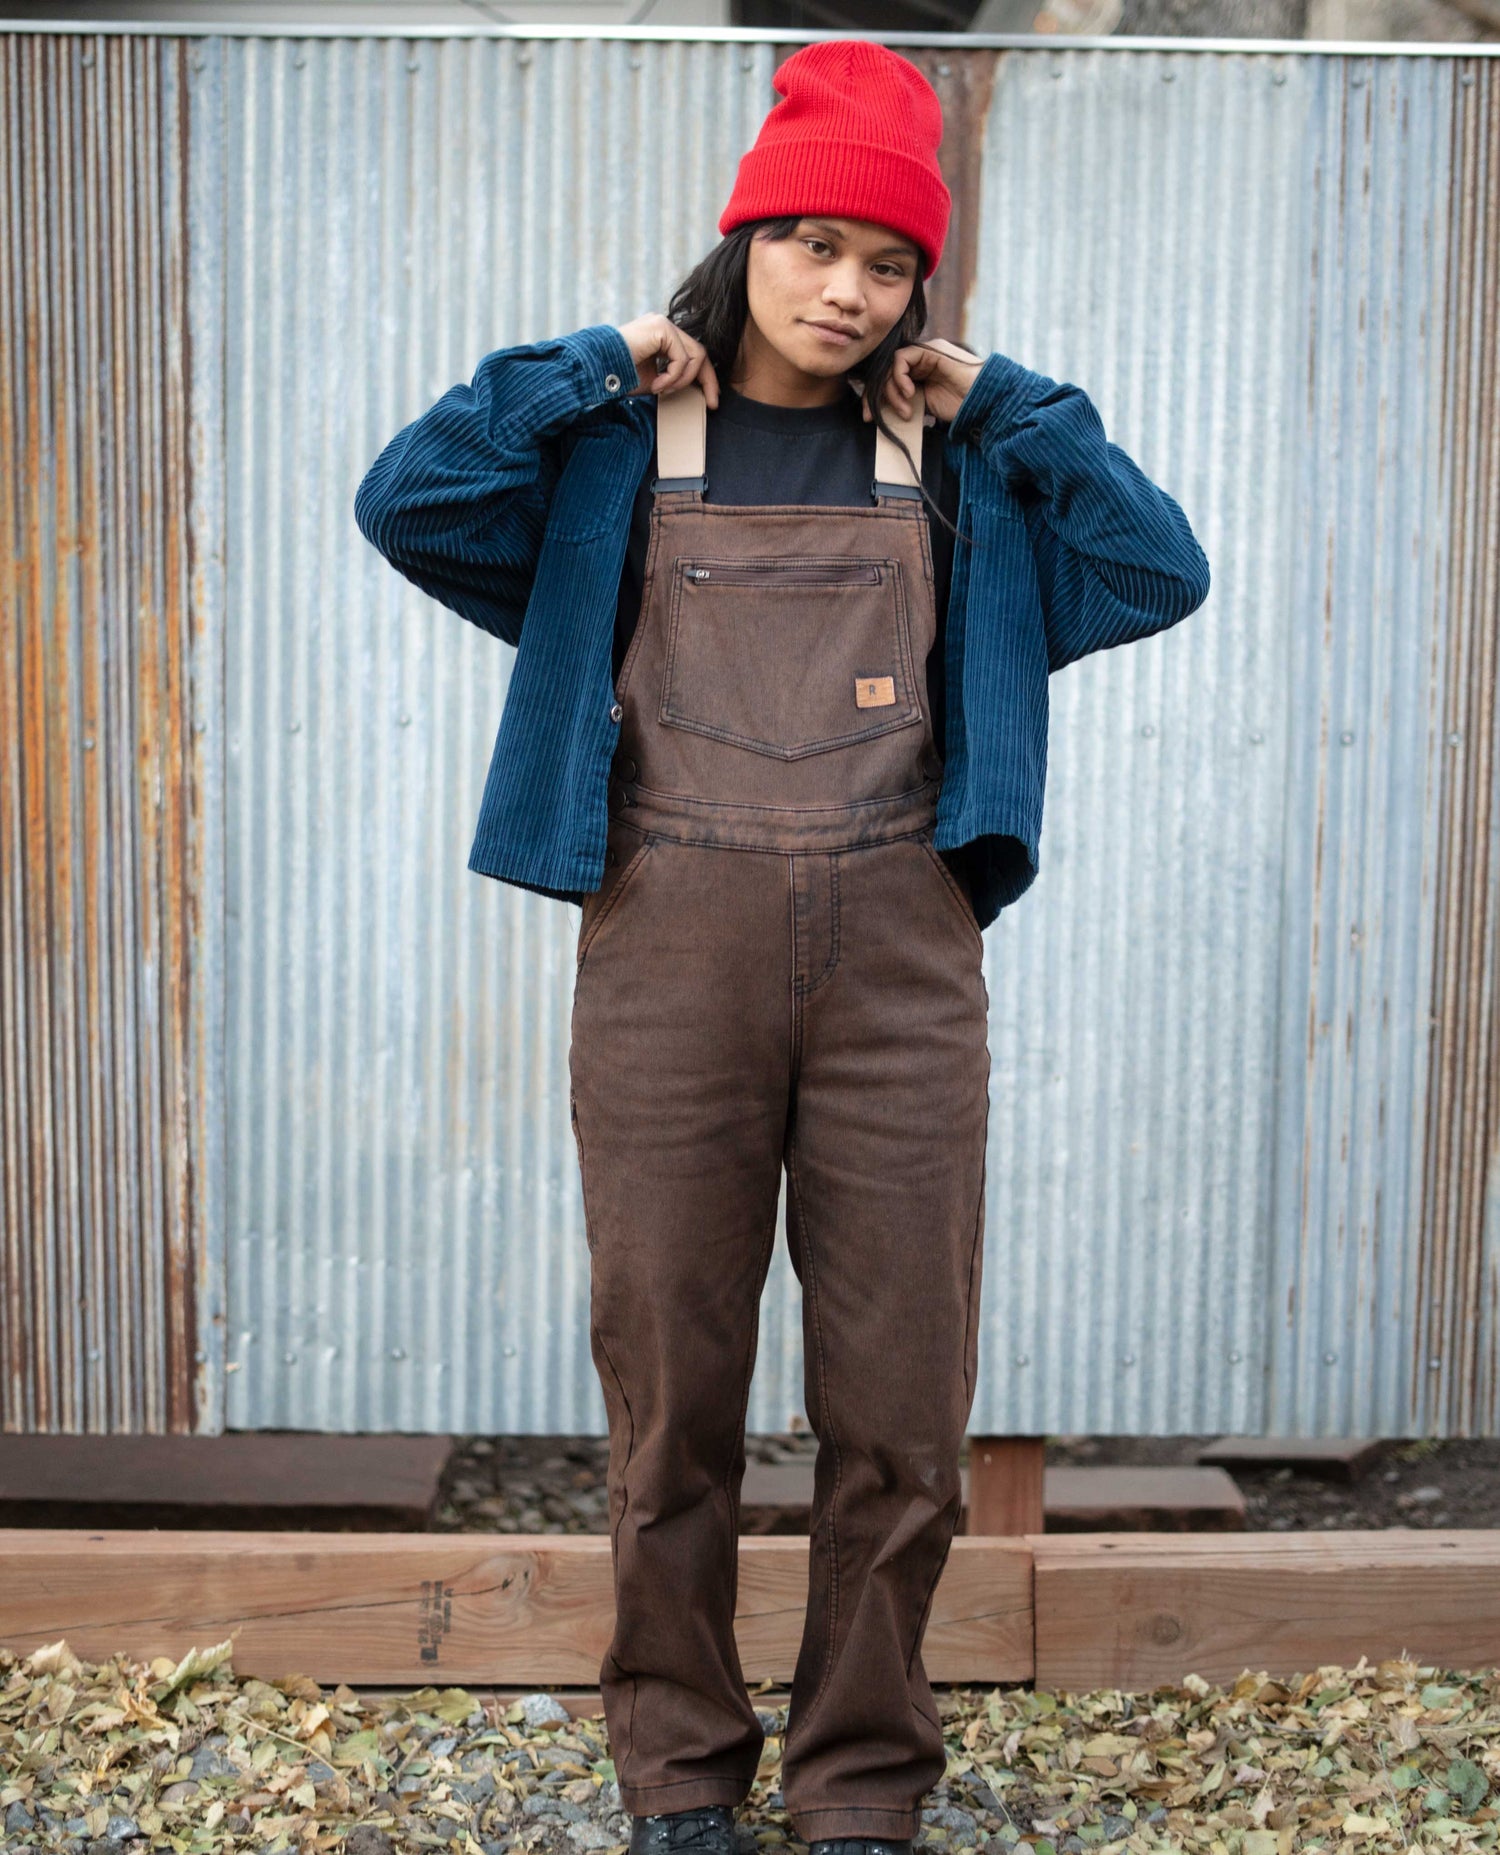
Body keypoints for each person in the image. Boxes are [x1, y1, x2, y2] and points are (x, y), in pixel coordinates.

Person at [354, 36, 1211, 1855]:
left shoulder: (956, 468)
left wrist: (1017, 408)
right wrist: (591, 363)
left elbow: (1155, 570)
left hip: (905, 962)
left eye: (886, 260)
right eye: (811, 242)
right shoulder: (612, 457)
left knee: (901, 1408)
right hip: (669, 953)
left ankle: (859, 1787)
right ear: (744, 238)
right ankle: (677, 1773)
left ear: (926, 284)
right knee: (672, 1394)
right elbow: (411, 502)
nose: (845, 288)